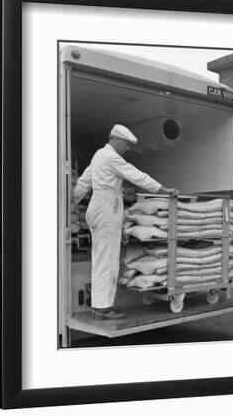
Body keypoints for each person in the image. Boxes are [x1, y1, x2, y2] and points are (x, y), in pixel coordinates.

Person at [72, 124, 179, 320]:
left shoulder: (98, 155)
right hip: (106, 208)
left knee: (100, 258)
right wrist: (162, 190)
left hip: (97, 207)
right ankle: (103, 308)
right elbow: (136, 175)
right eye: (127, 144)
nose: (127, 149)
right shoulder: (111, 157)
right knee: (108, 259)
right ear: (117, 140)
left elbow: (84, 182)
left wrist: (72, 201)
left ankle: (98, 306)